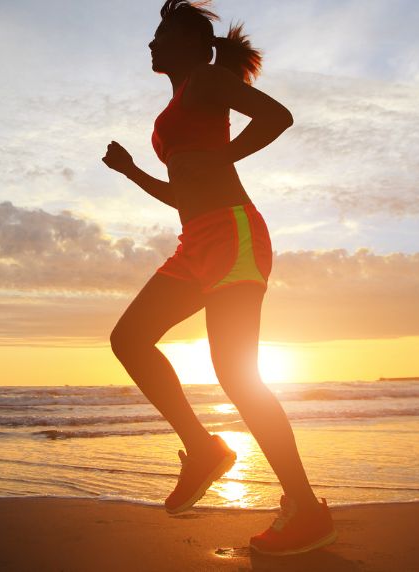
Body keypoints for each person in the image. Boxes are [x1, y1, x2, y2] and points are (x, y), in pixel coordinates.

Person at [102, 0, 336, 556]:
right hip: (195, 242)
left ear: (195, 46)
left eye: (162, 34)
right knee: (129, 339)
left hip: (233, 234)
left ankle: (305, 507)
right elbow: (181, 192)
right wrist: (133, 170)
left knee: (235, 372)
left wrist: (226, 156)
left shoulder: (207, 80)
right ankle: (204, 450)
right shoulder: (179, 103)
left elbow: (278, 116)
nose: (151, 44)